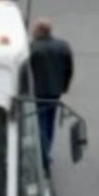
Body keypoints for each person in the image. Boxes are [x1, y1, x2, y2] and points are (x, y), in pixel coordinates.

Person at [29, 18, 74, 171]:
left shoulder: (32, 48)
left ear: (39, 31)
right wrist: (64, 86)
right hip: (55, 91)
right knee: (49, 122)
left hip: (37, 92)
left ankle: (43, 156)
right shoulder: (63, 46)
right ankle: (47, 151)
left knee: (40, 123)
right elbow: (69, 69)